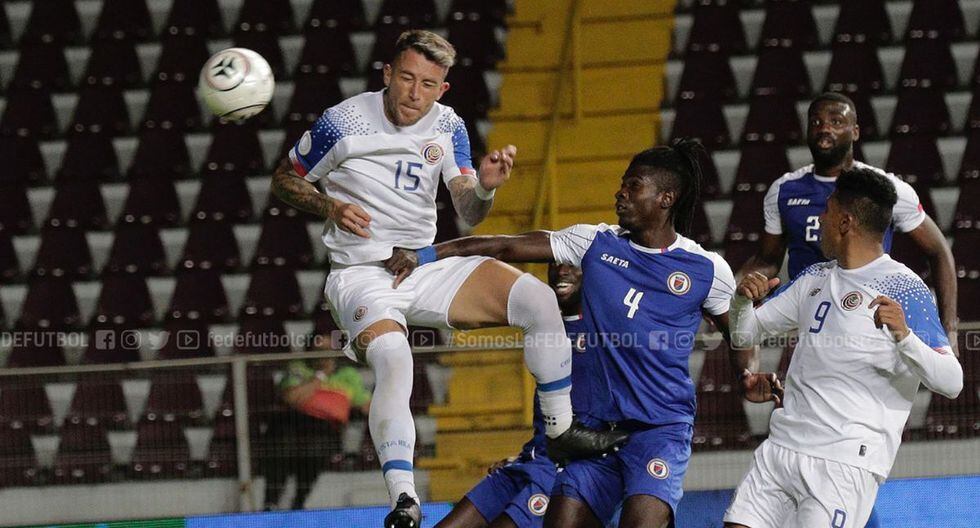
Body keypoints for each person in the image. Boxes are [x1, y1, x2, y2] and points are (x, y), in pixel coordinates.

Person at [269, 29, 626, 527]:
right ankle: (404, 500)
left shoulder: (448, 124)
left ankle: (560, 429)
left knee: (537, 300)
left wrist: (485, 188)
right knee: (395, 357)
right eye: (407, 78)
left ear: (443, 88)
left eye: (428, 84)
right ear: (387, 74)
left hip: (421, 265)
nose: (415, 93)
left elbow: (468, 211)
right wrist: (330, 206)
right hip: (360, 275)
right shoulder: (343, 120)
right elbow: (284, 179)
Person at [385, 139, 783, 528]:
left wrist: (746, 374)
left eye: (633, 186)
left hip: (659, 430)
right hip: (593, 431)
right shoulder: (594, 241)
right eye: (622, 184)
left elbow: (740, 334)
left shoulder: (706, 268)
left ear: (666, 198)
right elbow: (505, 247)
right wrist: (427, 255)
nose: (620, 193)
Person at [724, 168, 963, 528]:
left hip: (843, 463)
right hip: (781, 448)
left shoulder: (905, 288)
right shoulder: (815, 277)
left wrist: (905, 337)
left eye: (827, 211)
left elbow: (952, 381)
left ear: (845, 222)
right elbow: (745, 335)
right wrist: (742, 301)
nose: (819, 220)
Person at [737, 92, 958, 351]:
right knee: (746, 331)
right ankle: (746, 374)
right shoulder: (783, 190)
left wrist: (950, 328)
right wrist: (731, 290)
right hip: (809, 313)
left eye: (836, 121)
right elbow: (767, 260)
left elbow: (938, 250)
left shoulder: (883, 188)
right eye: (816, 122)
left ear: (855, 131)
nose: (824, 128)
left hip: (866, 314)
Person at [435, 263, 590, 528]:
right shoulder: (542, 324)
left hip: (561, 472)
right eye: (554, 264)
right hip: (529, 460)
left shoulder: (606, 334)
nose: (561, 271)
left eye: (572, 265)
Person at [263, 358, 371, 511]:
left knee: (317, 447)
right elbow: (291, 398)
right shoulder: (298, 368)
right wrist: (320, 376)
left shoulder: (348, 374)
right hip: (292, 426)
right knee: (281, 444)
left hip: (324, 432)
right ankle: (270, 504)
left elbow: (365, 405)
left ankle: (298, 504)